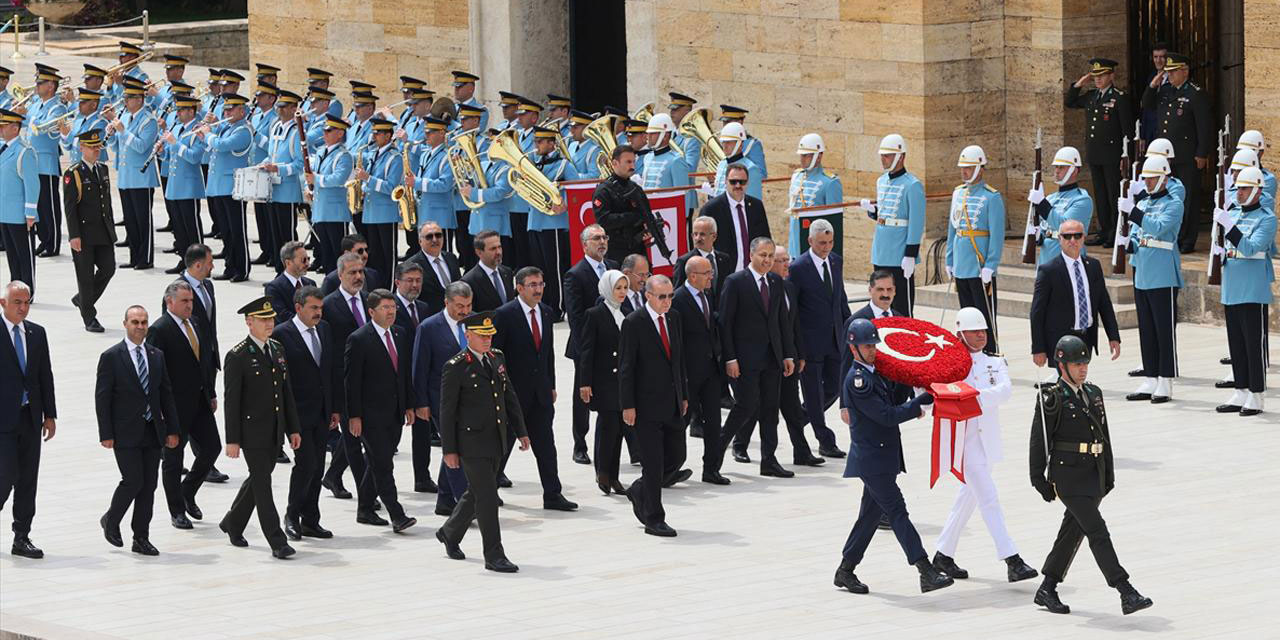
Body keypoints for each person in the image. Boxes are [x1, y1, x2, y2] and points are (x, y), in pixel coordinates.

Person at [1030, 334, 1153, 615]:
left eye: (1085, 363)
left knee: (1072, 532)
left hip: (1092, 475)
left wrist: (1107, 474)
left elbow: (1104, 437)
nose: (1083, 369)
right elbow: (1039, 441)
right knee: (1097, 531)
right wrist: (1038, 479)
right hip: (1068, 477)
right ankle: (1125, 590)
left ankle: (1047, 588)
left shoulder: (1094, 393)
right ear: (1062, 365)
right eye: (1077, 364)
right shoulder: (1052, 397)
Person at [832, 318, 950, 595]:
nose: (872, 349)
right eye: (866, 345)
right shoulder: (858, 380)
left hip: (881, 458)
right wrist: (918, 403)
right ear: (853, 348)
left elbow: (892, 402)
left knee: (869, 517)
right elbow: (886, 416)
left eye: (873, 344)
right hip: (873, 461)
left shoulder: (873, 373)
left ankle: (845, 570)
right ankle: (925, 569)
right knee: (897, 511)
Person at [930, 308, 1038, 582]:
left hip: (987, 440)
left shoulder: (995, 362)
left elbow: (1005, 390)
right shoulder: (950, 363)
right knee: (989, 497)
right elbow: (935, 391)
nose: (981, 336)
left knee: (968, 497)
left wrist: (970, 398)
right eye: (974, 331)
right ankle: (1011, 559)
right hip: (964, 442)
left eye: (983, 331)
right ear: (960, 333)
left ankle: (943, 553)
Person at [435, 311, 530, 573]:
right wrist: (450, 450)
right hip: (471, 442)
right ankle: (494, 554)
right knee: (487, 497)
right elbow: (447, 411)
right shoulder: (456, 366)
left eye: (489, 335)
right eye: (481, 336)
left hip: (496, 438)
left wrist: (521, 431)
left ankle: (450, 532)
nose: (487, 340)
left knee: (476, 492)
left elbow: (508, 395)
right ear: (468, 336)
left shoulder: (496, 358)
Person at [219, 296, 302, 559]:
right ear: (249, 322)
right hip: (252, 433)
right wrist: (232, 440)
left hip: (275, 430)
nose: (270, 324)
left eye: (271, 319)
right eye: (263, 320)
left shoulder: (276, 348)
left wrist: (293, 429)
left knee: (257, 480)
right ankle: (277, 541)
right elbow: (231, 402)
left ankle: (233, 522)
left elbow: (285, 393)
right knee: (264, 486)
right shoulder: (238, 355)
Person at [95, 306, 180, 555]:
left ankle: (141, 537)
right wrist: (106, 433)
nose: (140, 326)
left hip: (152, 429)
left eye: (144, 322)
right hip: (124, 431)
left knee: (149, 486)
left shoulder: (156, 355)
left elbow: (166, 394)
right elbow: (103, 398)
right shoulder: (111, 356)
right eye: (135, 322)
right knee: (132, 480)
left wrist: (172, 429)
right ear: (125, 324)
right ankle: (112, 520)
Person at [492, 267, 577, 510]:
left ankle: (553, 494)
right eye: (532, 285)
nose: (538, 289)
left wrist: (551, 385)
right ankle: (489, 488)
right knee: (503, 445)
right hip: (513, 395)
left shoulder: (547, 312)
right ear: (519, 288)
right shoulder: (504, 314)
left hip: (540, 394)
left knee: (546, 446)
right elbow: (497, 356)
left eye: (541, 284)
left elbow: (547, 353)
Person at [719, 237, 796, 478]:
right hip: (745, 359)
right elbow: (725, 323)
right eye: (763, 255)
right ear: (751, 254)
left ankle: (769, 460)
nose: (767, 260)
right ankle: (717, 449)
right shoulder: (735, 282)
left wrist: (787, 354)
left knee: (770, 410)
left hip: (771, 358)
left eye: (771, 256)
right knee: (745, 406)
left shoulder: (775, 281)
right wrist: (730, 358)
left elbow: (781, 321)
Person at [619, 275, 689, 537]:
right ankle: (654, 518)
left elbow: (679, 359)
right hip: (645, 405)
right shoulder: (634, 323)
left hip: (671, 402)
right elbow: (627, 368)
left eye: (670, 296)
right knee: (652, 462)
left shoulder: (674, 318)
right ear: (647, 295)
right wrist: (628, 405)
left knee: (676, 456)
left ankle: (639, 489)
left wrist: (683, 393)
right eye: (662, 297)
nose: (667, 302)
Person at [345, 288, 419, 532]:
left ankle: (365, 509)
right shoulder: (359, 339)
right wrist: (354, 415)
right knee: (383, 464)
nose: (391, 312)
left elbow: (404, 374)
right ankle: (397, 514)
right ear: (371, 311)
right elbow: (352, 382)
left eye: (393, 307)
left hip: (394, 412)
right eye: (385, 308)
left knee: (379, 461)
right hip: (370, 415)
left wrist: (409, 404)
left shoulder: (400, 333)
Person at [272, 286, 338, 541]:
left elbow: (330, 370)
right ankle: (292, 515)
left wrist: (335, 408)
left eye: (320, 308)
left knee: (318, 466)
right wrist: (286, 421)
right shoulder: (282, 334)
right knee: (305, 464)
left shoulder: (324, 329)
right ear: (298, 308)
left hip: (322, 412)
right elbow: (281, 382)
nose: (318, 313)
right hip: (298, 414)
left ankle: (311, 519)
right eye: (313, 308)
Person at [1118, 155, 1182, 403]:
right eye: (1146, 178)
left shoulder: (1174, 203)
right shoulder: (1143, 204)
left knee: (1164, 329)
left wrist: (1133, 211)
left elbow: (1158, 228)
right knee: (1146, 327)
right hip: (1142, 270)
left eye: (1153, 177)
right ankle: (1151, 375)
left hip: (1162, 271)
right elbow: (1137, 233)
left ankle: (1166, 379)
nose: (1148, 182)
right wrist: (1127, 243)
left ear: (1164, 178)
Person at [0, 281, 56, 559]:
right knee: (6, 474)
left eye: (26, 302)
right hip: (2, 421)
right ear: (3, 304)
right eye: (17, 303)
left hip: (30, 418)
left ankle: (21, 536)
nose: (23, 308)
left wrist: (50, 414)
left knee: (27, 479)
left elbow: (45, 375)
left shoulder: (36, 333)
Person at [1213, 166, 1275, 416]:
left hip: (1252, 288)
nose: (1239, 193)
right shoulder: (1234, 213)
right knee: (1236, 344)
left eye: (1245, 188)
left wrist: (1230, 227)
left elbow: (1251, 248)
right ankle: (1241, 389)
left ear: (1258, 191)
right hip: (1232, 286)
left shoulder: (1267, 218)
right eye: (1238, 188)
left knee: (1253, 345)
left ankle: (1256, 395)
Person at [412, 281, 474, 516]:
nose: (464, 311)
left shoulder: (475, 321)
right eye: (459, 306)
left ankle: (445, 500)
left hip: (471, 397)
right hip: (440, 399)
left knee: (455, 445)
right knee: (455, 446)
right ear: (446, 303)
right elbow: (420, 367)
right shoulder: (429, 328)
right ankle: (464, 500)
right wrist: (421, 402)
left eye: (468, 305)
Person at [791, 219, 850, 459]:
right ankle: (825, 440)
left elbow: (840, 298)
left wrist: (849, 329)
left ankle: (798, 419)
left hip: (835, 339)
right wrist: (796, 346)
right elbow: (793, 310)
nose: (826, 247)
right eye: (821, 243)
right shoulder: (798, 268)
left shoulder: (835, 261)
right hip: (810, 343)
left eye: (829, 242)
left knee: (835, 387)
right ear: (810, 241)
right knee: (814, 393)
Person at [1143, 52, 1211, 253]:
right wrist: (1153, 85)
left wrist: (1202, 153)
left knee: (1188, 197)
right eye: (1168, 72)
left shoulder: (1195, 93)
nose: (1170, 76)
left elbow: (1204, 126)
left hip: (1187, 154)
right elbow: (1146, 105)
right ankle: (1172, 235)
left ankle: (1187, 239)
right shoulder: (1164, 91)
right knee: (1167, 196)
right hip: (1165, 158)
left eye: (1173, 72)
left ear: (1185, 71)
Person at [563, 224, 619, 464]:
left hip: (614, 344)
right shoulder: (575, 274)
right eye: (596, 238)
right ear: (585, 244)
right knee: (583, 395)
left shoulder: (614, 267)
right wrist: (588, 347)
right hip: (586, 345)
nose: (602, 242)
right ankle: (580, 444)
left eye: (604, 237)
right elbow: (575, 317)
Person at [1030, 219, 1121, 368]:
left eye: (1077, 236)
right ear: (1059, 239)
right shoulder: (1049, 270)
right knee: (1069, 382)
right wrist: (1038, 348)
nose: (1072, 240)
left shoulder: (1093, 266)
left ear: (1084, 238)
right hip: (1061, 339)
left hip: (1086, 336)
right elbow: (1037, 312)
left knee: (1079, 380)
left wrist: (1114, 337)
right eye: (1067, 236)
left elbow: (1104, 304)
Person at [670, 256, 728, 483]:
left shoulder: (707, 294)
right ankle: (671, 467)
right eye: (707, 273)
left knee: (714, 422)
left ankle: (711, 469)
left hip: (711, 370)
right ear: (692, 276)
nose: (711, 276)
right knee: (681, 423)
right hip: (689, 374)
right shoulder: (678, 299)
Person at [1066, 58, 1132, 247]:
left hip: (1112, 155)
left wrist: (1125, 156)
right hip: (1095, 154)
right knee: (1100, 194)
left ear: (1111, 75)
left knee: (1113, 195)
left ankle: (1114, 231)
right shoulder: (1092, 96)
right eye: (1095, 76)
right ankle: (1103, 230)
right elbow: (1070, 102)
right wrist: (1079, 83)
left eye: (1102, 75)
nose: (1098, 79)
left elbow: (1126, 129)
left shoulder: (1119, 97)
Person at [946, 144, 1005, 350]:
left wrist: (991, 264)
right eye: (963, 168)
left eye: (969, 168)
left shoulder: (992, 197)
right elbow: (953, 229)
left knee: (985, 317)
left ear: (980, 168)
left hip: (980, 266)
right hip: (962, 265)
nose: (964, 172)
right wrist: (949, 259)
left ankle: (990, 354)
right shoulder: (958, 193)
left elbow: (997, 235)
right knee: (967, 315)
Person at [320, 253, 368, 500]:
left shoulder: (370, 300)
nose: (358, 277)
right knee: (352, 438)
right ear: (340, 276)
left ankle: (333, 474)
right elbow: (326, 351)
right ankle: (366, 494)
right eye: (352, 273)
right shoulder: (328, 305)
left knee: (364, 436)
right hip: (344, 382)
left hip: (370, 381)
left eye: (361, 272)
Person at [578, 269, 631, 494]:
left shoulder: (626, 312)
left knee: (619, 428)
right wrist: (585, 382)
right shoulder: (595, 314)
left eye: (625, 288)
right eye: (617, 288)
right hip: (603, 380)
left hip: (623, 381)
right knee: (607, 427)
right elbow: (586, 351)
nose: (622, 293)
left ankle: (614, 475)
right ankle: (603, 472)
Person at [862, 134, 925, 316]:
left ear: (901, 156)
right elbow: (886, 215)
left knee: (901, 306)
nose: (883, 159)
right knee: (880, 302)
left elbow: (916, 222)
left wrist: (910, 253)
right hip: (881, 249)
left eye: (888, 155)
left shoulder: (912, 185)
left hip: (899, 252)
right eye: (882, 155)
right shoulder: (881, 181)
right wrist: (872, 210)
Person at [64, 130, 116, 333]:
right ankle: (89, 317)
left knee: (108, 268)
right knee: (85, 276)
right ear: (82, 148)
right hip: (84, 233)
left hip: (103, 231)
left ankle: (83, 299)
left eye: (98, 147)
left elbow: (107, 203)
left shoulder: (102, 170)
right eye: (92, 147)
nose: (96, 151)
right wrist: (74, 235)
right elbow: (69, 207)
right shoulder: (74, 173)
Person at [107, 76, 159, 270]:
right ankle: (134, 256)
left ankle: (145, 258)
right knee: (130, 220)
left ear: (139, 99)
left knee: (142, 221)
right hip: (126, 177)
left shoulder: (149, 120)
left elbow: (142, 146)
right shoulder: (127, 118)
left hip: (142, 178)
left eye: (129, 98)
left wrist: (123, 132)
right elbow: (119, 147)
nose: (125, 101)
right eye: (125, 97)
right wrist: (111, 136)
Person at [200, 93, 253, 281]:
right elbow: (214, 144)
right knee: (226, 230)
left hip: (232, 187)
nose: (227, 112)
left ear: (242, 110)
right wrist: (205, 133)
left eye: (231, 109)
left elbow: (223, 146)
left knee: (237, 230)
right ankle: (230, 266)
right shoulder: (227, 128)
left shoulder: (243, 130)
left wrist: (208, 134)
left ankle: (242, 268)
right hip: (218, 185)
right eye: (226, 109)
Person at [158, 95, 207, 275]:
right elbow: (171, 157)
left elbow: (195, 157)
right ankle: (185, 261)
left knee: (192, 228)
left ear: (190, 111)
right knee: (179, 228)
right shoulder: (177, 128)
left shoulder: (198, 130)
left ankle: (201, 263)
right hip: (174, 186)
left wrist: (174, 143)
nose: (177, 113)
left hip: (189, 186)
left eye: (181, 110)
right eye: (177, 110)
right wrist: (162, 152)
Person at [27, 64, 70, 259]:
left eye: (40, 82)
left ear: (51, 85)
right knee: (37, 206)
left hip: (47, 163)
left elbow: (49, 131)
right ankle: (43, 240)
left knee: (49, 206)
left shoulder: (57, 106)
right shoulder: (36, 103)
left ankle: (52, 244)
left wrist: (35, 124)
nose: (36, 85)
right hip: (33, 162)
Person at [260, 89, 305, 273]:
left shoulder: (296, 132)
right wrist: (264, 165)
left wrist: (278, 168)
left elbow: (299, 164)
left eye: (284, 107)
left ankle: (293, 271)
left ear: (293, 108)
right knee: (276, 234)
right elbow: (272, 154)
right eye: (279, 106)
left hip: (287, 190)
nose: (279, 110)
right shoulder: (276, 128)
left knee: (287, 235)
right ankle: (280, 271)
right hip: (274, 188)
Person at [1027, 147, 1094, 265]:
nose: (1057, 171)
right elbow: (1044, 227)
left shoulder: (1082, 200)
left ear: (1074, 171)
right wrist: (1037, 236)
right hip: (1046, 259)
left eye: (1062, 167)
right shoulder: (1050, 198)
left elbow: (1065, 225)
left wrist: (1042, 204)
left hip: (1069, 259)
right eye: (1056, 167)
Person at [0, 109, 41, 294]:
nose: (0, 129)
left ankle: (27, 290)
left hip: (19, 214)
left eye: (3, 126)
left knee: (25, 255)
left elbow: (32, 185)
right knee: (12, 255)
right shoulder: (4, 148)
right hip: (4, 212)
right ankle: (15, 288)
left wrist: (30, 213)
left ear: (15, 128)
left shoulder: (25, 151)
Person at [593, 145, 657, 263]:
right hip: (616, 251)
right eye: (628, 162)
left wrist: (648, 230)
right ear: (615, 163)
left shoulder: (636, 189)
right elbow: (603, 220)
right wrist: (631, 217)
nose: (632, 166)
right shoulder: (604, 190)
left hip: (637, 248)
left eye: (633, 162)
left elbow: (646, 214)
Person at [307, 115, 353, 275]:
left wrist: (316, 179)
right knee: (326, 254)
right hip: (320, 211)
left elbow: (339, 179)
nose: (324, 134)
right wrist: (311, 187)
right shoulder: (321, 152)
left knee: (339, 255)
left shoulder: (344, 155)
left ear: (340, 133)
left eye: (329, 131)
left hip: (335, 213)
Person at [704, 164, 770, 272]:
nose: (738, 185)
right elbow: (702, 245)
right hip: (724, 275)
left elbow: (765, 239)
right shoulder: (711, 209)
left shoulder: (756, 206)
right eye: (733, 182)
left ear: (747, 183)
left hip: (752, 273)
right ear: (725, 182)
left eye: (742, 182)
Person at [786, 133, 842, 257]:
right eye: (801, 155)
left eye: (806, 155)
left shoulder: (830, 182)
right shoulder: (797, 176)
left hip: (816, 242)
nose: (802, 159)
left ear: (818, 156)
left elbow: (834, 221)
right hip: (795, 238)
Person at [672, 216, 731, 306]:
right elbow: (678, 295)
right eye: (695, 234)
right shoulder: (684, 261)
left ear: (714, 236)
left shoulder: (724, 259)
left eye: (702, 234)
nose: (698, 238)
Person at [406, 221, 462, 317]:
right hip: (431, 318)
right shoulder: (412, 265)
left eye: (438, 235)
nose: (435, 240)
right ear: (420, 241)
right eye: (429, 237)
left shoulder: (451, 258)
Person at [460, 230, 515, 312]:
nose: (498, 252)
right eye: (493, 249)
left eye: (499, 247)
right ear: (479, 252)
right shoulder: (469, 281)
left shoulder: (507, 272)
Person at [264, 242, 317, 326]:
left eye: (308, 259)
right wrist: (308, 321)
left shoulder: (310, 283)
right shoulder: (274, 288)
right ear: (288, 263)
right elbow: (282, 316)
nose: (307, 264)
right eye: (303, 260)